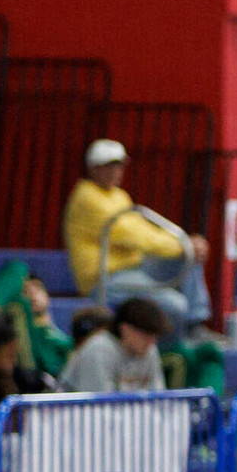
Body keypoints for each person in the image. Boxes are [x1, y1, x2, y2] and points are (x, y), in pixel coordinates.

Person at [62, 140, 214, 338]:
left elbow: (142, 229)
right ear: (93, 168)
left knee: (188, 257)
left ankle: (195, 323)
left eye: (119, 165)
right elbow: (132, 236)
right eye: (109, 165)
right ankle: (172, 353)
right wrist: (182, 245)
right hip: (105, 279)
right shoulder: (87, 198)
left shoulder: (118, 195)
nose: (116, 170)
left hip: (133, 267)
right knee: (176, 306)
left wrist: (185, 247)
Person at [58, 296, 168, 393]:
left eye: (154, 337)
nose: (152, 342)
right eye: (146, 336)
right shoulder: (99, 349)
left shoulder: (150, 350)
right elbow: (99, 405)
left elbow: (158, 397)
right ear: (125, 329)